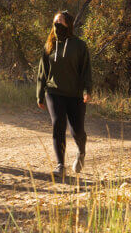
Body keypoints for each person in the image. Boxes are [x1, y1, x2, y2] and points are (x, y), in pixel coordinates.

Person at [36, 10, 92, 176]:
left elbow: (86, 70)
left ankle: (81, 152)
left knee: (77, 131)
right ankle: (60, 165)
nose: (56, 24)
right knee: (58, 125)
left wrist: (87, 90)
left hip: (75, 95)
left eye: (60, 21)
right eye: (54, 21)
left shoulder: (79, 46)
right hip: (54, 92)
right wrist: (39, 95)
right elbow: (42, 72)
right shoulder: (49, 46)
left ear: (68, 24)